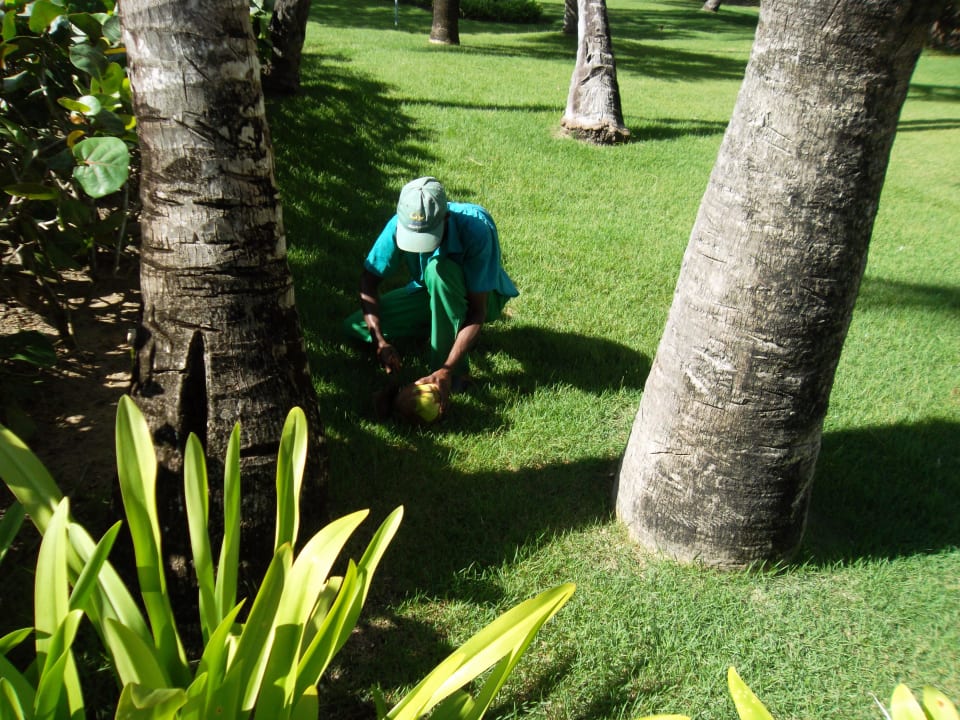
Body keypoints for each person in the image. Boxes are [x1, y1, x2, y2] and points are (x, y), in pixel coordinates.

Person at [343, 176, 519, 411]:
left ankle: (451, 375)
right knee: (356, 326)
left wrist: (447, 369)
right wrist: (380, 341)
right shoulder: (397, 223)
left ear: (446, 217)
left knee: (439, 270)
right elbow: (368, 280)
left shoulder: (477, 227)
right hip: (429, 292)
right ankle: (439, 326)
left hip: (483, 296)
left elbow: (477, 311)